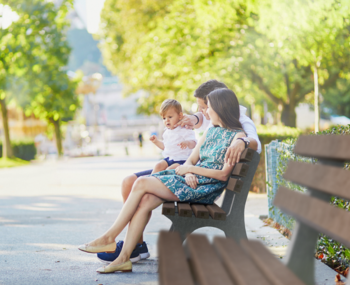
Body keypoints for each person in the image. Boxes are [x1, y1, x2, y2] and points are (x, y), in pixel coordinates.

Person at [78, 88, 248, 274]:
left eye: (209, 108)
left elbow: (223, 175)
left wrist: (190, 170)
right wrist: (187, 170)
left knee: (141, 183)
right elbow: (191, 158)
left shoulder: (237, 136)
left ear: (221, 109)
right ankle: (123, 259)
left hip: (203, 188)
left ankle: (108, 238)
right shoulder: (211, 131)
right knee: (144, 200)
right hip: (190, 179)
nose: (205, 112)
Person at [149, 99, 196, 173]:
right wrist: (156, 141)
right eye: (164, 118)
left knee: (169, 170)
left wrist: (187, 142)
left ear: (180, 116)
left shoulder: (185, 129)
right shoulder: (166, 132)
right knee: (158, 165)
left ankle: (161, 182)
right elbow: (165, 147)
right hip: (169, 159)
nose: (166, 120)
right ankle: (151, 181)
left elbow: (194, 143)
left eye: (170, 117)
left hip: (182, 160)